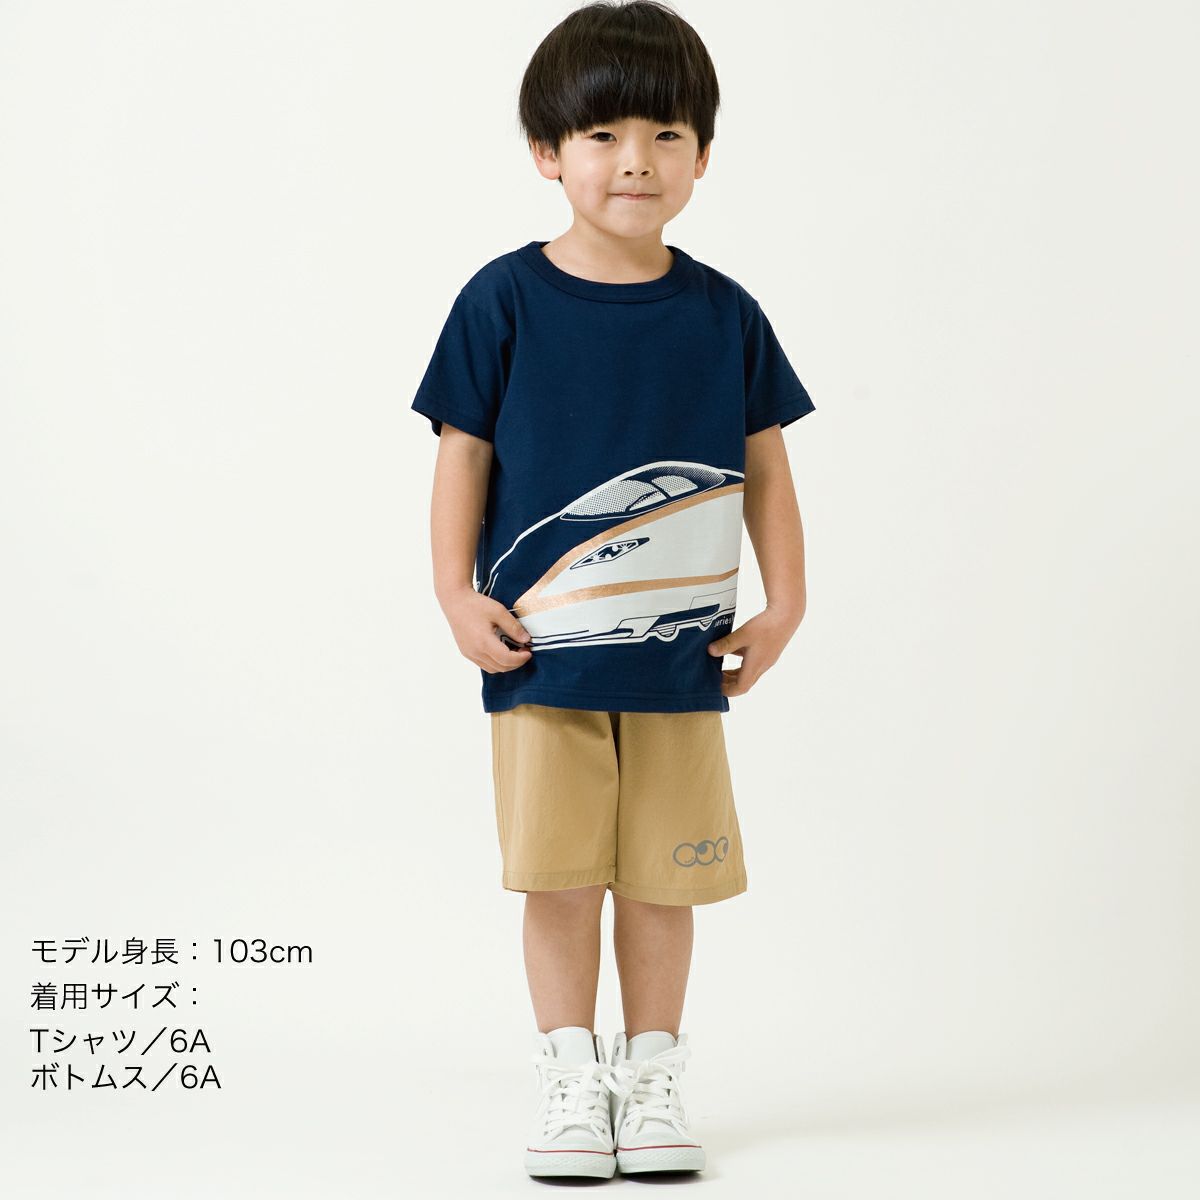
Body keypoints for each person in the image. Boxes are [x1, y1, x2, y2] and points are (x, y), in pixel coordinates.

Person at [411, 0, 815, 1180]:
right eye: (603, 135)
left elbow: (767, 465)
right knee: (559, 877)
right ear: (549, 152)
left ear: (703, 155)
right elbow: (462, 456)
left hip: (682, 662)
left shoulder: (725, 312)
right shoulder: (502, 300)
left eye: (666, 134)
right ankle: (570, 1076)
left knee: (660, 880)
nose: (636, 160)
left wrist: (784, 603)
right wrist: (452, 594)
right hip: (540, 656)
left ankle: (651, 1076)